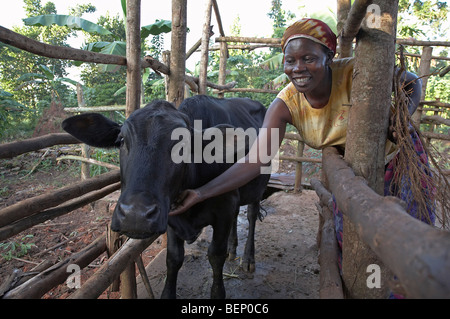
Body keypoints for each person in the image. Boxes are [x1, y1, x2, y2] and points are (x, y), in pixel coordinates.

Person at [170, 18, 434, 227]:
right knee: (358, 237)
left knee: (406, 233)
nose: (298, 68)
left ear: (328, 58)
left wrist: (401, 117)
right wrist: (201, 193)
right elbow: (256, 160)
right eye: (290, 60)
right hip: (354, 170)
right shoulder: (286, 104)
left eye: (308, 58)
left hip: (399, 160)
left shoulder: (356, 72)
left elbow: (410, 81)